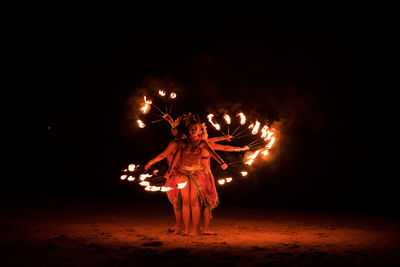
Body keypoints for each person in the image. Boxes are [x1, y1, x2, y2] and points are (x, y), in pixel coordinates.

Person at [165, 113, 228, 236]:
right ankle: (187, 229)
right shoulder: (183, 143)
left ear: (199, 131)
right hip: (183, 173)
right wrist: (169, 172)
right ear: (188, 130)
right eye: (191, 129)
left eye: (195, 129)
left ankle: (195, 230)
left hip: (196, 173)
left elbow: (214, 153)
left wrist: (222, 163)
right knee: (185, 202)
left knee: (194, 202)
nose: (193, 130)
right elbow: (176, 157)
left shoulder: (203, 143)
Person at [200, 126, 249, 235]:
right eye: (205, 132)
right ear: (200, 134)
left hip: (197, 174)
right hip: (203, 176)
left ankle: (196, 228)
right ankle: (204, 229)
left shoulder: (200, 142)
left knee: (197, 202)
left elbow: (218, 142)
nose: (207, 134)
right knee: (206, 202)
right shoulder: (205, 144)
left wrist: (226, 138)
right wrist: (240, 149)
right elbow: (223, 147)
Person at [144, 114, 186, 234]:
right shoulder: (186, 140)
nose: (171, 129)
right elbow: (177, 128)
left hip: (175, 174)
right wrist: (170, 120)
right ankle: (182, 224)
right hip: (185, 173)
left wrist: (151, 162)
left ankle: (180, 225)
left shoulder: (174, 143)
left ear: (177, 131)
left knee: (177, 202)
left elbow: (163, 155)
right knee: (183, 202)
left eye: (173, 128)